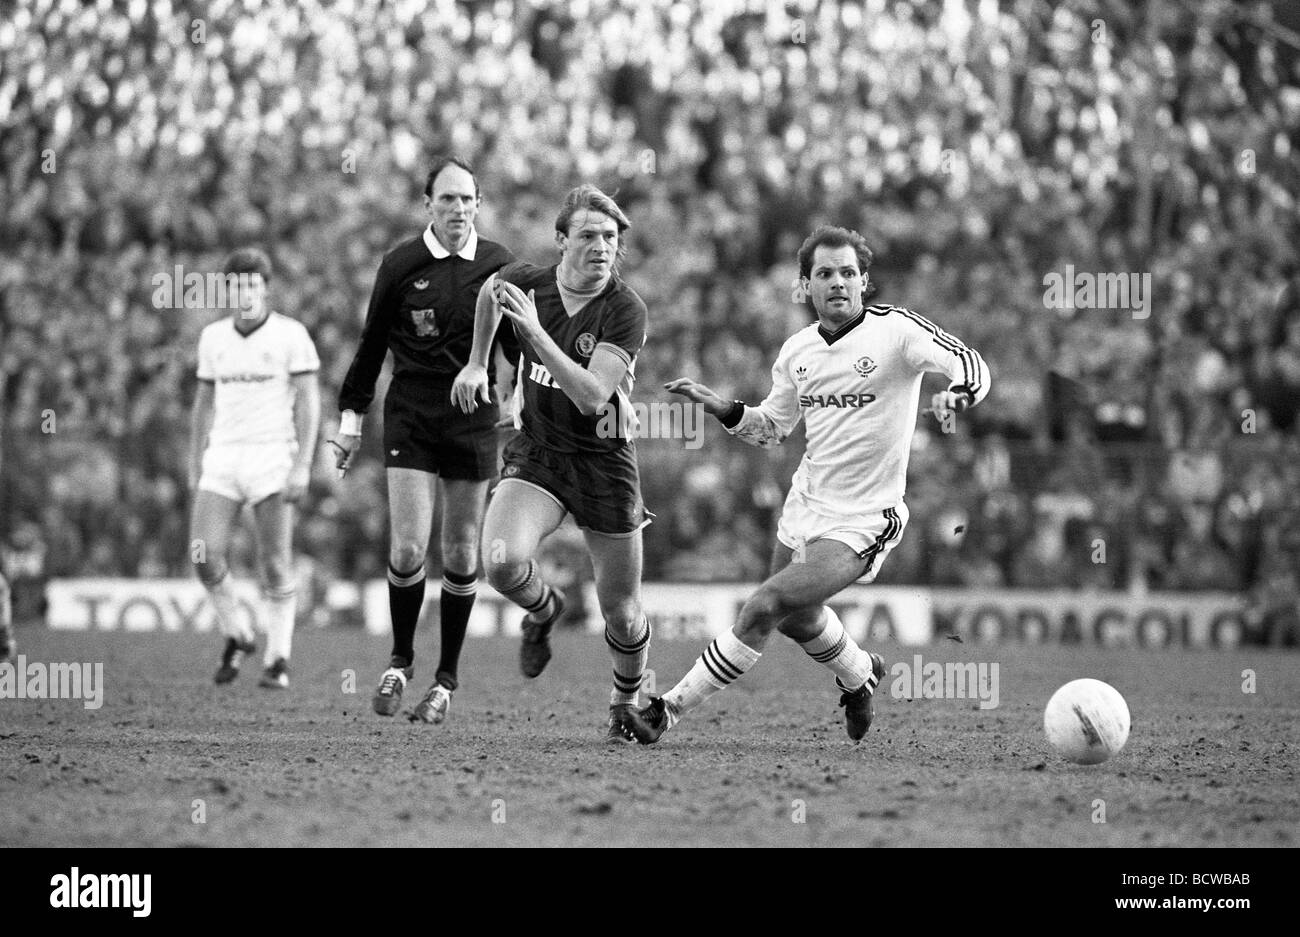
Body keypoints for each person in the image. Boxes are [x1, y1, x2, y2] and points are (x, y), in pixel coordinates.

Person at [618, 224, 990, 745]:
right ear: (806, 285)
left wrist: (961, 394)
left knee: (765, 606)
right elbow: (772, 427)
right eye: (824, 273)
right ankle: (861, 675)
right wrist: (723, 407)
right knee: (797, 619)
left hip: (865, 518)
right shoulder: (797, 351)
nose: (837, 282)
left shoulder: (897, 332)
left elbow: (968, 361)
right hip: (805, 506)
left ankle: (666, 710)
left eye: (847, 273)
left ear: (865, 281)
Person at [451, 184, 651, 744]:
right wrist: (476, 365)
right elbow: (491, 292)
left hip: (604, 461)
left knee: (622, 612)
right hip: (539, 453)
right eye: (588, 235)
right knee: (500, 562)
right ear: (561, 240)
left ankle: (624, 702)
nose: (601, 247)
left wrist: (534, 334)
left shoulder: (624, 309)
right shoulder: (527, 282)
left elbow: (592, 397)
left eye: (611, 238)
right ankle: (544, 610)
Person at [331, 157, 517, 724]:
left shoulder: (499, 265)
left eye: (467, 199)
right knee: (409, 550)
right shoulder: (401, 265)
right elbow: (369, 346)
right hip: (411, 416)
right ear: (427, 206)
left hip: (474, 419)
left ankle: (445, 681)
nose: (458, 209)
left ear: (479, 204)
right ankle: (400, 660)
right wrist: (349, 421)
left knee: (461, 554)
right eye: (447, 199)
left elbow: (522, 341)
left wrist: (521, 397)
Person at [190, 247, 321, 688]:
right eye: (237, 284)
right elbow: (203, 404)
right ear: (227, 289)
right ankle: (239, 632)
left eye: (252, 284)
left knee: (275, 564)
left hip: (271, 454)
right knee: (204, 555)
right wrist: (196, 462)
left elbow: (309, 401)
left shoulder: (291, 336)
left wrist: (302, 463)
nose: (245, 292)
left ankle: (278, 658)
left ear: (266, 288)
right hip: (224, 455)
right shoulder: (213, 338)